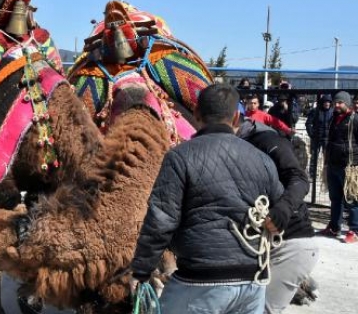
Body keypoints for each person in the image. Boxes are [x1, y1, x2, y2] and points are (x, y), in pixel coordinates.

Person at [131, 83, 283, 314]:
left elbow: (161, 220)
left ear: (197, 115)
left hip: (199, 282)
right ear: (236, 118)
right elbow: (281, 213)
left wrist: (141, 270)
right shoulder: (262, 159)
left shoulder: (179, 158)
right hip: (252, 283)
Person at [237, 118, 318, 313]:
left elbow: (299, 178)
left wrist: (283, 209)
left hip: (288, 240)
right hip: (255, 246)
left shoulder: (266, 141)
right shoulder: (228, 145)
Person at [319, 91, 358, 243]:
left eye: (340, 103)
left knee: (352, 200)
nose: (336, 105)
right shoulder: (334, 118)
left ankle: (354, 230)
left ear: (346, 103)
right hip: (333, 164)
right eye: (335, 102)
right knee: (335, 198)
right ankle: (334, 227)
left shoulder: (355, 119)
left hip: (350, 167)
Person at [305, 94, 333, 178]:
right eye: (325, 102)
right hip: (316, 137)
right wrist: (312, 134)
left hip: (328, 138)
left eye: (328, 102)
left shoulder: (332, 112)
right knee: (314, 157)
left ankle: (327, 174)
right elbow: (308, 123)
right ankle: (312, 175)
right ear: (322, 103)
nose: (327, 104)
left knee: (327, 157)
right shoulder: (315, 111)